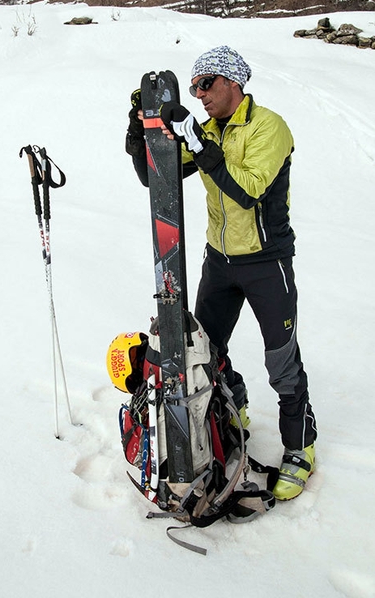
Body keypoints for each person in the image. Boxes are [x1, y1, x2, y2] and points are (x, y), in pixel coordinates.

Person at [125, 46, 317, 501]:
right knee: (204, 352)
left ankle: (300, 448)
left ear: (233, 82)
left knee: (282, 362)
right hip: (221, 261)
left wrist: (201, 145)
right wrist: (141, 132)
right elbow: (157, 179)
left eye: (206, 83)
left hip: (266, 262)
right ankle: (235, 407)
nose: (199, 94)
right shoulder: (206, 131)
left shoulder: (268, 126)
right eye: (194, 87)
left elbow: (249, 191)